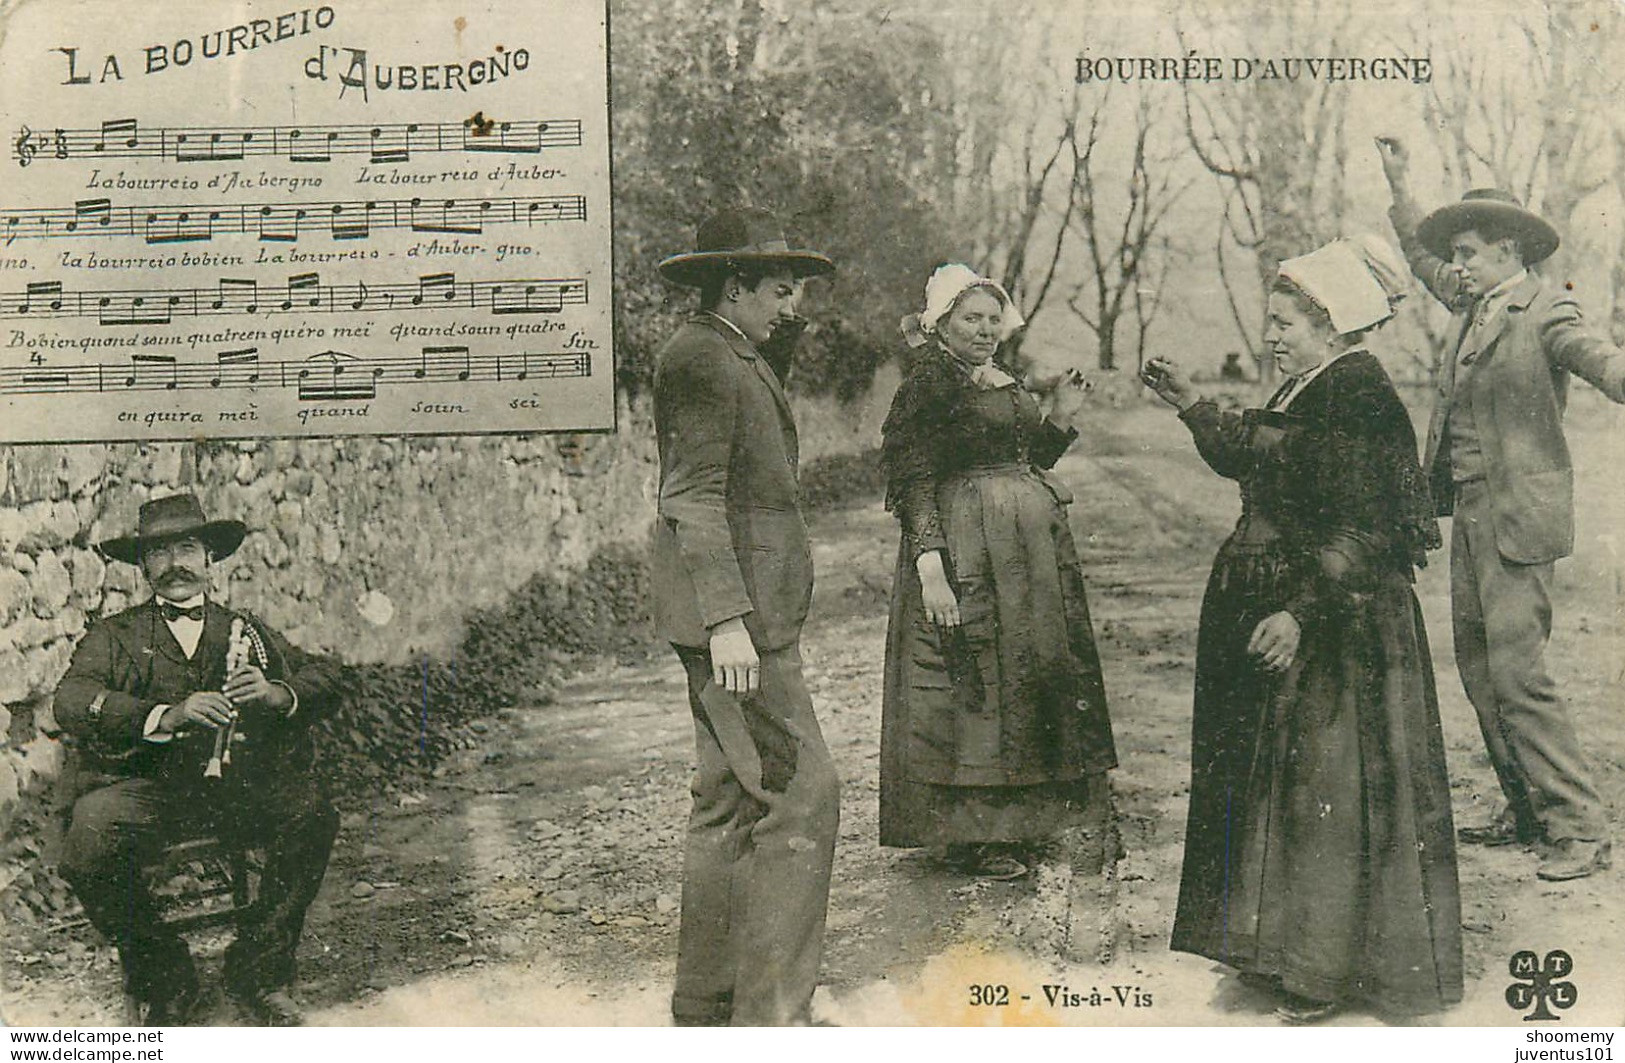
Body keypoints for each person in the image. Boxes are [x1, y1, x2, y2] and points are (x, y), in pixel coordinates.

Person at [1143, 236, 1463, 1023]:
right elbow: (1256, 453)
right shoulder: (1307, 385)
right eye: (1271, 321)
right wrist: (1188, 400)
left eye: (1285, 321)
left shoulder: (1355, 392)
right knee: (1288, 789)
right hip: (1308, 606)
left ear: (1331, 323)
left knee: (1329, 784)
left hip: (1339, 619)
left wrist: (1297, 610)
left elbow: (1367, 526)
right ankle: (1288, 951)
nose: (1272, 335)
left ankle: (1326, 971)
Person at [1379, 136, 1624, 881]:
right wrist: (1399, 187)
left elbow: (1597, 358)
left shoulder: (1546, 308)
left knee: (1517, 674)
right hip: (1472, 517)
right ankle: (1527, 810)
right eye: (1453, 254)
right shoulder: (1473, 301)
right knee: (1478, 669)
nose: (1453, 265)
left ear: (1508, 251)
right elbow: (1423, 266)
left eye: (1466, 251)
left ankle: (1578, 828)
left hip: (1518, 519)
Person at [650, 208, 841, 1026]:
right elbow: (689, 496)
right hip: (738, 626)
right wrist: (727, 618)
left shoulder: (728, 348)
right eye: (778, 290)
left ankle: (708, 1006)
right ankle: (773, 1019)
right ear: (734, 286)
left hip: (740, 615)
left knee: (727, 798)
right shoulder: (703, 357)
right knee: (803, 796)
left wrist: (780, 324)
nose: (790, 306)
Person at [878, 264, 1115, 922]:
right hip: (967, 546)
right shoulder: (930, 379)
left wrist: (1062, 419)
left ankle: (1012, 821)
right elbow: (914, 473)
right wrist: (930, 562)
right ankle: (974, 835)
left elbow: (1024, 455)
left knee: (1019, 677)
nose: (983, 330)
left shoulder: (987, 377)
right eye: (969, 320)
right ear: (942, 323)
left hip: (1019, 555)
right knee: (972, 677)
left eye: (990, 319)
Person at [53, 493, 342, 1026]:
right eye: (158, 553)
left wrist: (276, 691)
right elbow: (71, 700)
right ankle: (164, 971)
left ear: (209, 558)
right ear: (143, 567)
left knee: (312, 810)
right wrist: (166, 714)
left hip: (237, 791)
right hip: (153, 791)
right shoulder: (116, 635)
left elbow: (327, 678)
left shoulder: (245, 630)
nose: (174, 564)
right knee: (85, 844)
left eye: (186, 548)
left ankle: (259, 968)